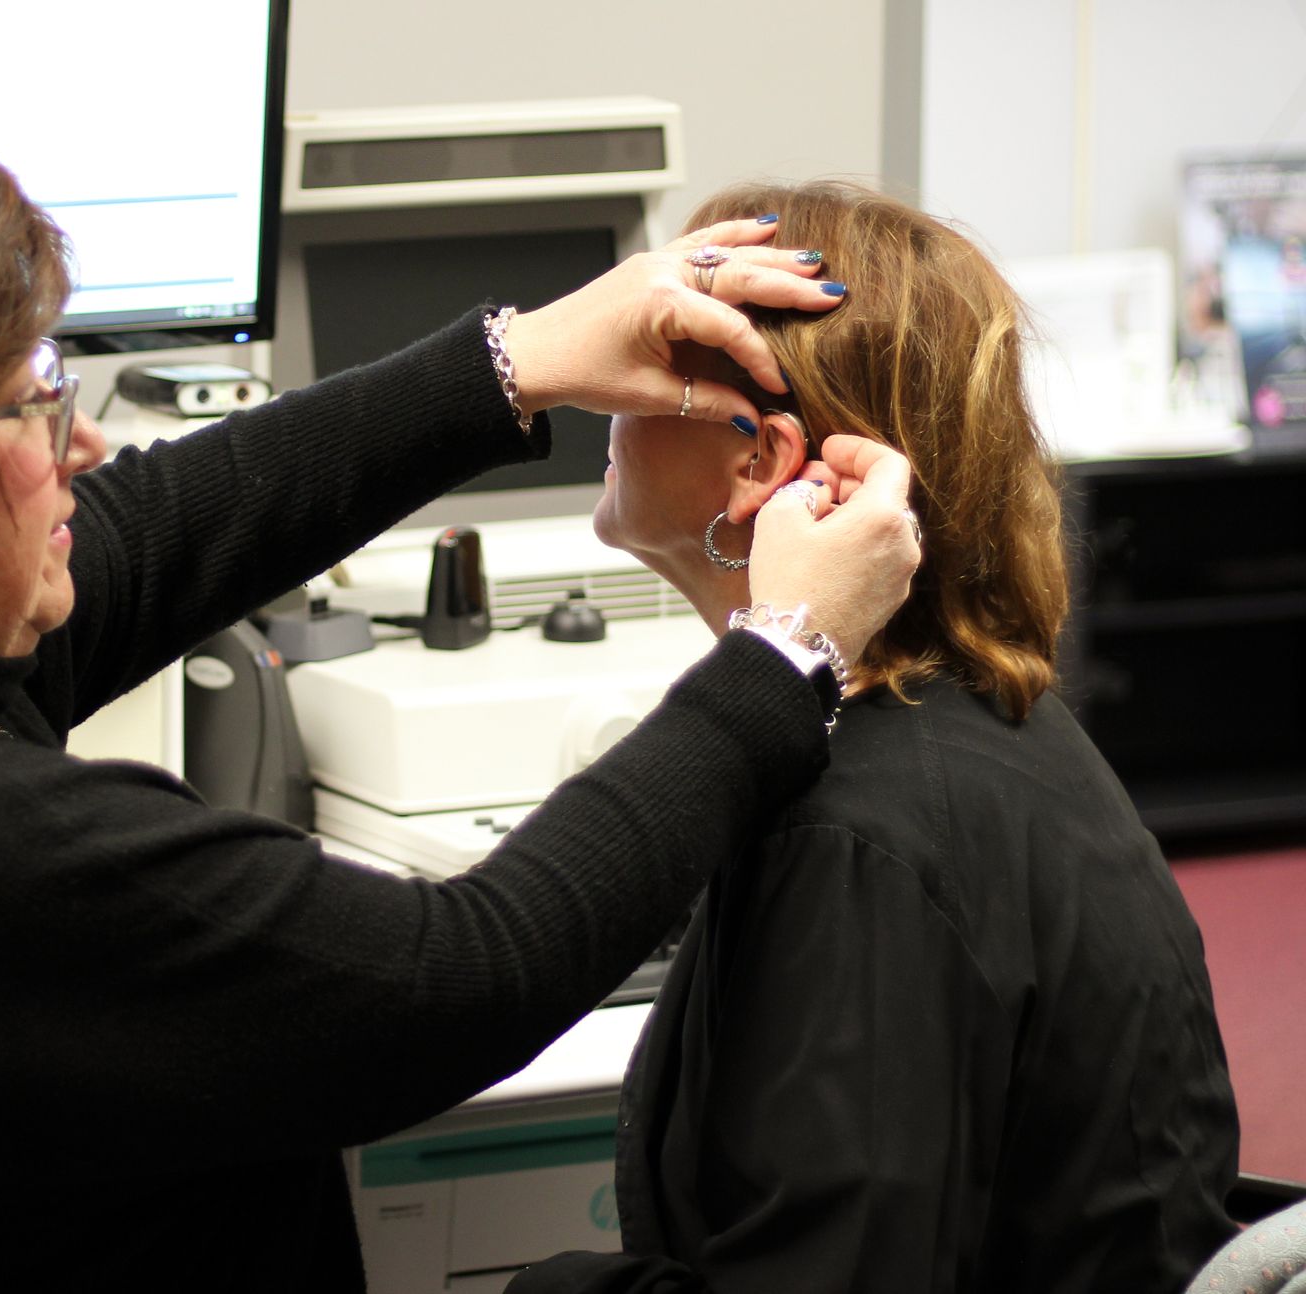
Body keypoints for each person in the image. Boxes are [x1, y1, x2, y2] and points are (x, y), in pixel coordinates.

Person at [0, 102, 919, 1293]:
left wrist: (516, 363)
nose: (83, 442)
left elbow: (148, 535)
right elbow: (454, 972)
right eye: (30, 397)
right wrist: (780, 657)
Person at [512, 181, 1239, 1294]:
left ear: (759, 461)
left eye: (654, 350)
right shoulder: (953, 725)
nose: (606, 386)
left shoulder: (858, 837)